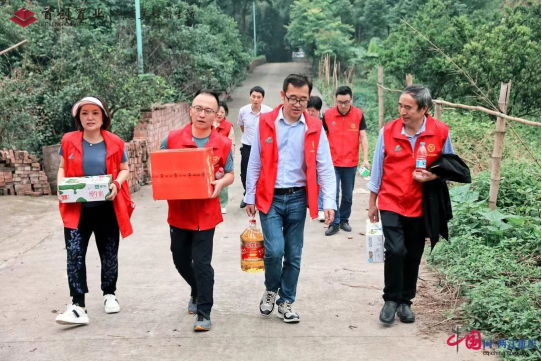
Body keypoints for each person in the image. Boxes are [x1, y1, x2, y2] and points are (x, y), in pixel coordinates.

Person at [244, 74, 336, 323]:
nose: (297, 104)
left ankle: (286, 302)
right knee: (274, 251)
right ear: (283, 96)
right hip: (269, 197)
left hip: (298, 197)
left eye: (303, 99)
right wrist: (249, 195)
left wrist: (329, 202)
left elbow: (325, 166)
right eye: (293, 98)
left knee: (294, 254)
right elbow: (255, 162)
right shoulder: (265, 122)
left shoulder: (315, 127)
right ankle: (271, 289)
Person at [366, 85, 455, 325]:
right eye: (400, 106)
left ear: (424, 109)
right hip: (391, 200)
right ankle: (390, 300)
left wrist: (434, 176)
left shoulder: (440, 132)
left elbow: (451, 167)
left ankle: (406, 302)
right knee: (395, 250)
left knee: (414, 254)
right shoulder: (389, 131)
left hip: (422, 204)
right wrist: (372, 202)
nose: (402, 111)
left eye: (408, 107)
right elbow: (377, 168)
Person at [55, 96, 134, 326]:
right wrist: (61, 186)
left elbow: (124, 169)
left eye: (95, 113)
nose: (90, 118)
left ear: (104, 116)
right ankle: (78, 304)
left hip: (106, 207)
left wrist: (116, 184)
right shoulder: (69, 140)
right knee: (75, 254)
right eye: (84, 113)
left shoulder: (115, 142)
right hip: (77, 209)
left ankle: (109, 294)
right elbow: (61, 168)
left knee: (109, 252)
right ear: (79, 118)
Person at [160, 90, 234, 332]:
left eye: (208, 111)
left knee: (202, 263)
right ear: (190, 110)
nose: (202, 114)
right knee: (180, 259)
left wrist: (220, 182)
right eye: (198, 109)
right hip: (179, 212)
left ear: (216, 116)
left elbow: (231, 173)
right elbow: (159, 165)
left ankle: (204, 311)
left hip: (206, 213)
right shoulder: (171, 139)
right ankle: (196, 289)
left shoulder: (222, 143)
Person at [323, 86, 370, 236]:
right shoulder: (328, 115)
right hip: (332, 162)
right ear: (335, 100)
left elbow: (363, 137)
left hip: (351, 162)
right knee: (334, 193)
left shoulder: (358, 114)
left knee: (348, 194)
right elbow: (322, 138)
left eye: (346, 102)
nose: (343, 105)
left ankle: (344, 220)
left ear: (351, 99)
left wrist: (366, 159)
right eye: (340, 102)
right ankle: (335, 222)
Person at [237, 86, 273, 208]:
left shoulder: (269, 111)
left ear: (262, 98)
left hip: (263, 147)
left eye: (259, 97)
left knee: (263, 171)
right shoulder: (243, 111)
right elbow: (242, 126)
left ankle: (261, 196)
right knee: (244, 172)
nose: (256, 99)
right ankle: (247, 195)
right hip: (247, 146)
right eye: (253, 97)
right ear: (250, 97)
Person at [307, 96, 326, 222]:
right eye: (308, 110)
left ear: (319, 111)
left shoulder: (324, 122)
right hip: (309, 158)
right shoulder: (304, 121)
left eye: (312, 111)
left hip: (321, 157)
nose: (310, 113)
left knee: (321, 181)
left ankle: (320, 208)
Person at [214, 101, 235, 214]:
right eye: (218, 111)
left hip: (223, 157)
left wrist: (231, 156)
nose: (219, 114)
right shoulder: (209, 125)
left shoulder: (228, 127)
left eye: (222, 112)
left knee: (223, 179)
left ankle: (222, 203)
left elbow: (232, 142)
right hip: (210, 157)